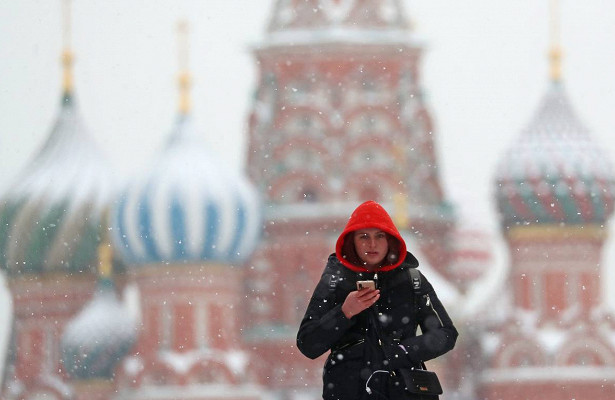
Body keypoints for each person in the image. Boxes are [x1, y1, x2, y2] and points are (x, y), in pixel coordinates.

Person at [297, 200, 458, 399]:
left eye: (380, 236)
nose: (372, 244)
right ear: (352, 241)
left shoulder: (411, 280)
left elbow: (446, 333)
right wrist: (345, 312)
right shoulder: (335, 282)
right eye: (364, 236)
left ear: (390, 240)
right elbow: (308, 343)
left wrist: (402, 352)